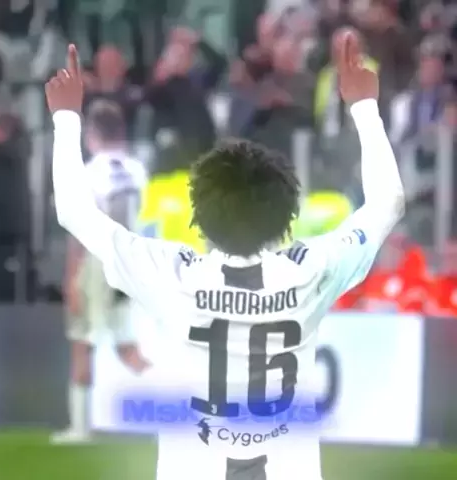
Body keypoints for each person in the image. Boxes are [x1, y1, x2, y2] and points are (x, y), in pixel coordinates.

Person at [46, 33, 404, 478]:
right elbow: (387, 203)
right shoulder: (311, 270)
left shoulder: (172, 273)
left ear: (198, 218)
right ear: (286, 216)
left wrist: (66, 119)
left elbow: (74, 212)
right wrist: (365, 108)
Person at [51, 99, 149, 444]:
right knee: (127, 346)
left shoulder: (89, 173)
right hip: (133, 261)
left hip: (97, 262)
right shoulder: (138, 170)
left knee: (82, 342)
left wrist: (71, 278)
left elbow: (80, 229)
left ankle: (80, 429)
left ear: (92, 134)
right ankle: (173, 409)